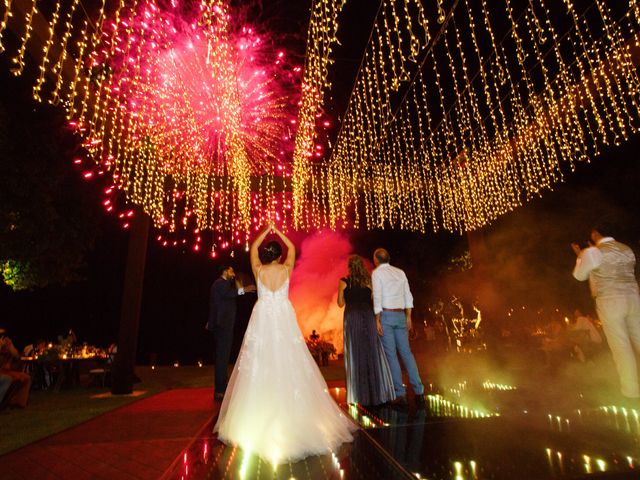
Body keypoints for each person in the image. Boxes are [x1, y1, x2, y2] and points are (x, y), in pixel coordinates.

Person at [214, 223, 356, 463]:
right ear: (279, 256)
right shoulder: (287, 268)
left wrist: (264, 231)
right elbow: (291, 247)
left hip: (263, 317)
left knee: (261, 361)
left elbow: (254, 249)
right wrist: (278, 231)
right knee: (290, 359)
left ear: (264, 255)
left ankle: (255, 417)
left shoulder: (258, 269)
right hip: (282, 315)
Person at [572, 223, 640, 400]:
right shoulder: (627, 249)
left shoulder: (593, 252)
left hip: (610, 301)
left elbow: (580, 275)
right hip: (634, 298)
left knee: (621, 347)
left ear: (595, 234)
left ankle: (631, 390)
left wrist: (580, 256)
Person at [337, 254, 395, 406]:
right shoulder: (369, 281)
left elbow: (340, 303)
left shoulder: (343, 282)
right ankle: (375, 393)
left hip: (352, 317)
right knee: (371, 351)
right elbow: (375, 301)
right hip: (368, 316)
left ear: (350, 267)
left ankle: (357, 395)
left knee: (355, 353)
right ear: (362, 266)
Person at [371, 248, 425, 405]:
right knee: (407, 353)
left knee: (392, 355)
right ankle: (419, 391)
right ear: (388, 258)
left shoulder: (377, 273)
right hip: (401, 315)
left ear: (376, 260)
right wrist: (409, 317)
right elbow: (408, 295)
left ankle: (400, 393)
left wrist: (377, 319)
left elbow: (378, 296)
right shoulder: (400, 272)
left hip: (386, 315)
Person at [207, 266, 256, 401]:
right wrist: (244, 289)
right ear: (225, 271)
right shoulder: (220, 283)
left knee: (223, 356)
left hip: (223, 325)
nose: (233, 274)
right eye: (231, 271)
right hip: (223, 325)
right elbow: (230, 293)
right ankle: (220, 390)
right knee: (222, 357)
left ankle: (222, 386)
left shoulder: (223, 284)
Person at [0, 329, 31, 408]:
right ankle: (7, 402)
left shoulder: (7, 344)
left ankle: (18, 402)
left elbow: (16, 355)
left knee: (26, 377)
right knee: (10, 378)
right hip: (2, 371)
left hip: (6, 371)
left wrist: (11, 346)